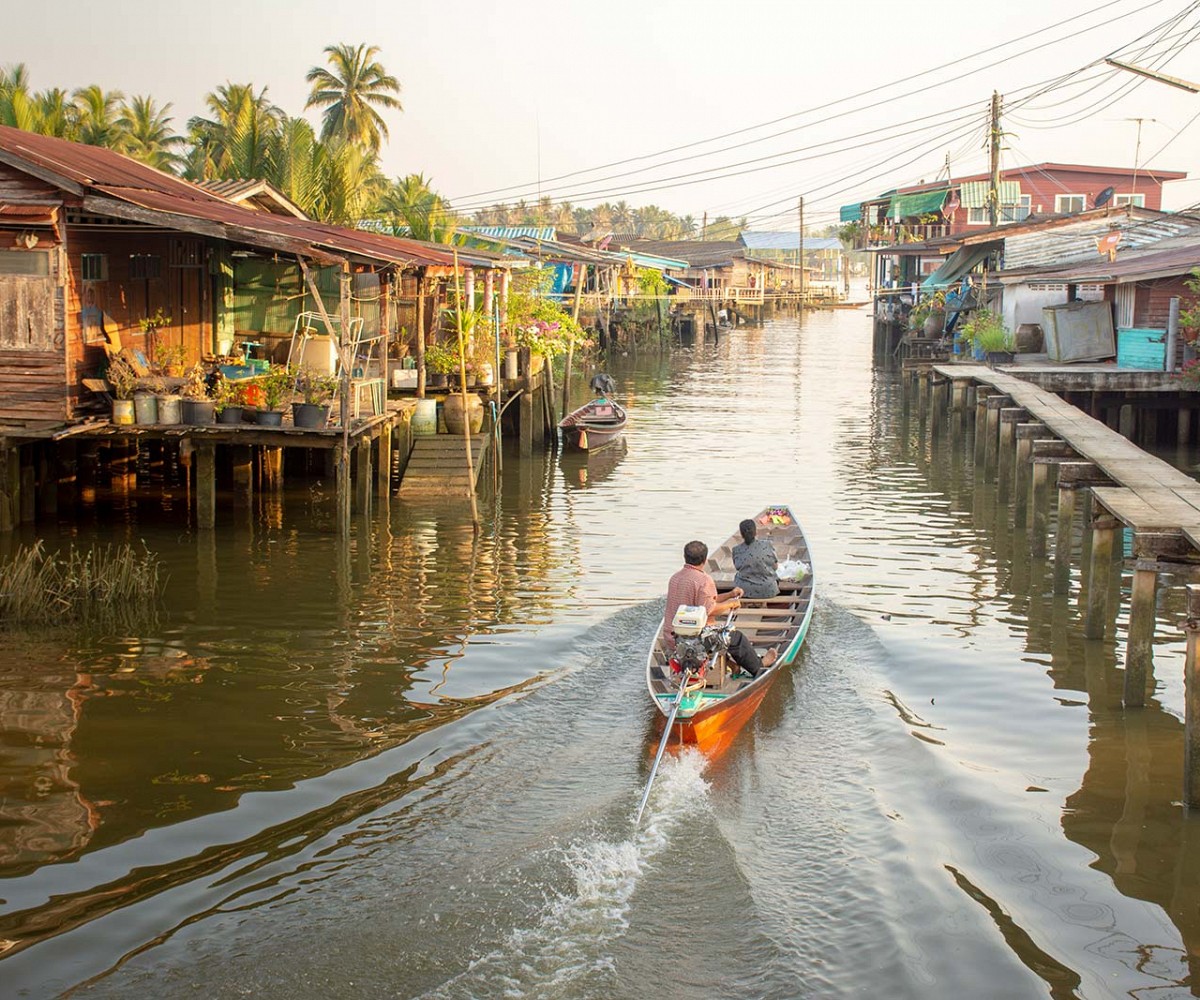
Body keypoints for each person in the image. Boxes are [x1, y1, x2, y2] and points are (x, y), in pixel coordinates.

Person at [663, 540, 778, 678]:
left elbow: (706, 601)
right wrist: (731, 604)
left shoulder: (674, 578)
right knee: (735, 638)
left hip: (673, 638)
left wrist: (730, 594)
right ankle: (758, 665)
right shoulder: (704, 580)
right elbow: (709, 610)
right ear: (705, 560)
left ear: (685, 557)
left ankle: (732, 665)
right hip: (694, 642)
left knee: (716, 633)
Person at [732, 518, 779, 599]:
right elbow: (775, 567)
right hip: (769, 590)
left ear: (741, 534)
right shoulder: (768, 545)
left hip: (744, 591)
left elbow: (738, 568)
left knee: (737, 576)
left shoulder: (736, 550)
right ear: (756, 532)